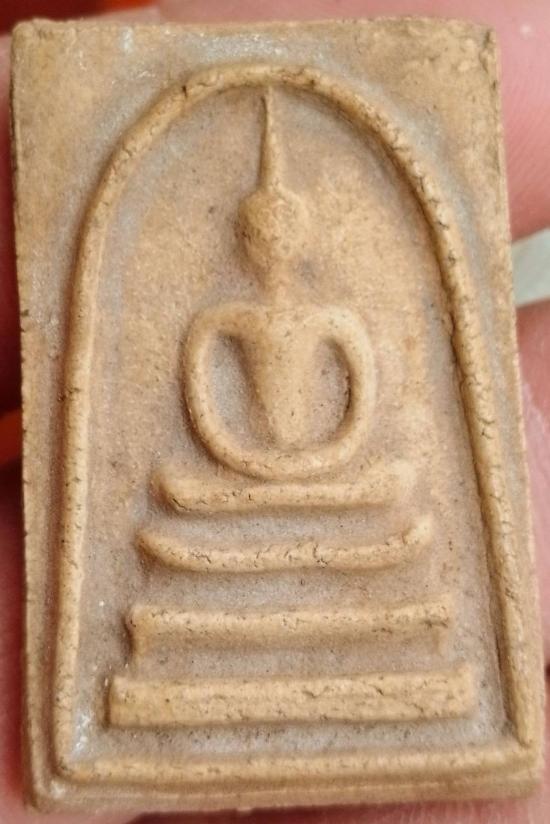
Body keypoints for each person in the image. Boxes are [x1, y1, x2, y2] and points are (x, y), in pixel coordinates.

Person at [0, 1, 548, 822]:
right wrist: (252, 464)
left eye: (282, 234)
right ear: (247, 241)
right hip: (236, 481)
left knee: (391, 505)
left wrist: (316, 463)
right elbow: (206, 417)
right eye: (261, 236)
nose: (272, 249)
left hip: (328, 478)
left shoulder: (336, 318)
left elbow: (356, 414)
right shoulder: (219, 320)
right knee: (179, 504)